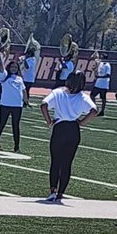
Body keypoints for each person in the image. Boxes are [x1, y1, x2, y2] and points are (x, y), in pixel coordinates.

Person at [40, 72, 97, 204]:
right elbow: (94, 110)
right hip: (73, 129)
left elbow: (43, 105)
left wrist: (49, 121)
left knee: (55, 162)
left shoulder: (58, 92)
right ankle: (60, 194)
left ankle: (53, 191)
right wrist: (82, 122)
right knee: (66, 163)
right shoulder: (82, 96)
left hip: (60, 128)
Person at [0, 57, 26, 151]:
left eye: (15, 67)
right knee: (1, 124)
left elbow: (23, 90)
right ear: (9, 68)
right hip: (5, 105)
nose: (14, 69)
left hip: (17, 106)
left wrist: (26, 101)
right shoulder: (4, 77)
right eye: (12, 67)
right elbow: (0, 65)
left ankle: (17, 146)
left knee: (16, 126)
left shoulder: (20, 79)